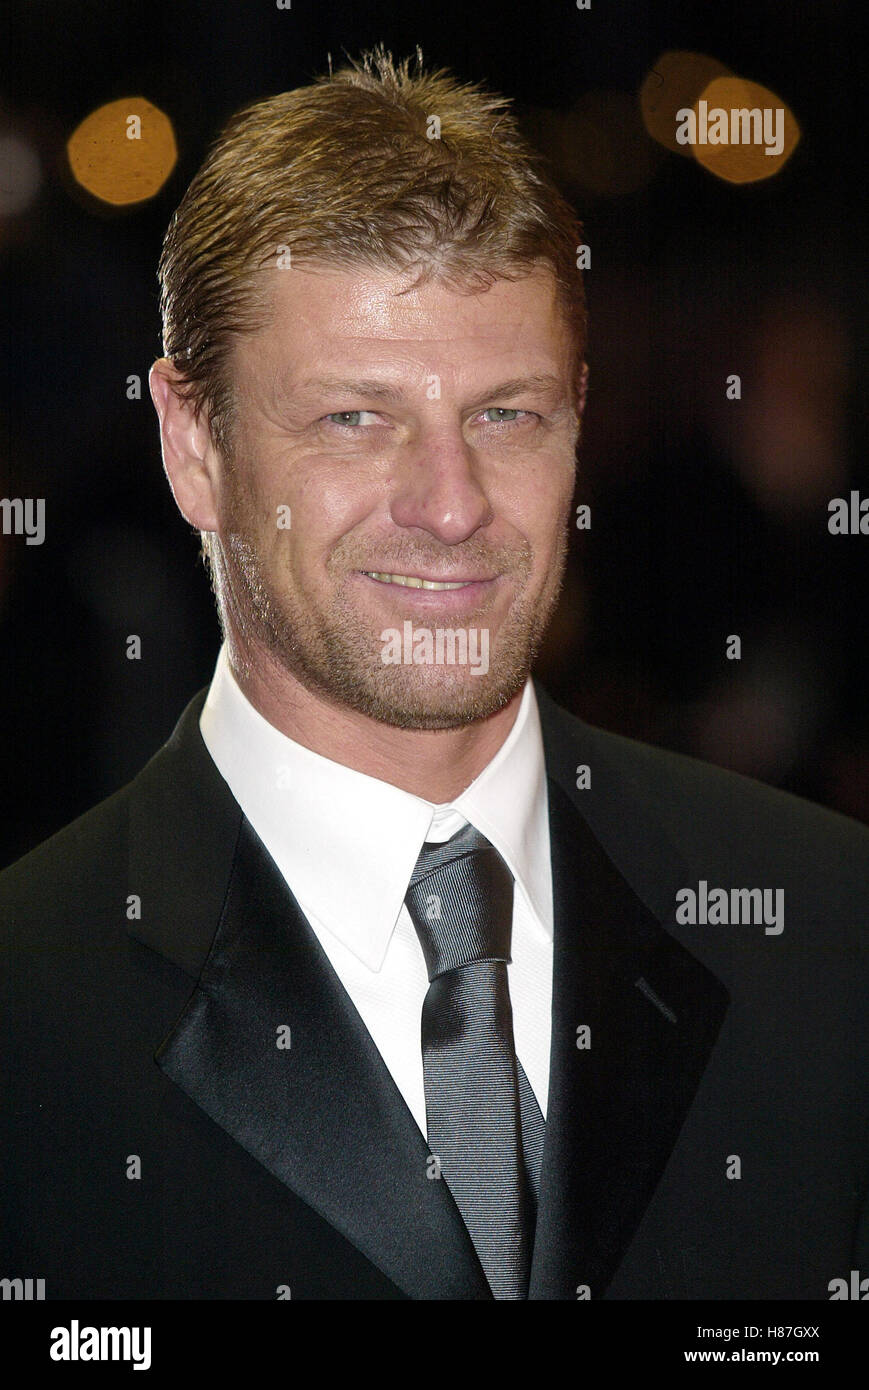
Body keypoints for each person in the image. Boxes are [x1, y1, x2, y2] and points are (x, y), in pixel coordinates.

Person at [2, 50, 868, 1302]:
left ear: (578, 416)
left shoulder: (829, 931)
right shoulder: (30, 999)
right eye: (355, 417)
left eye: (505, 414)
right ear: (193, 447)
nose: (451, 505)